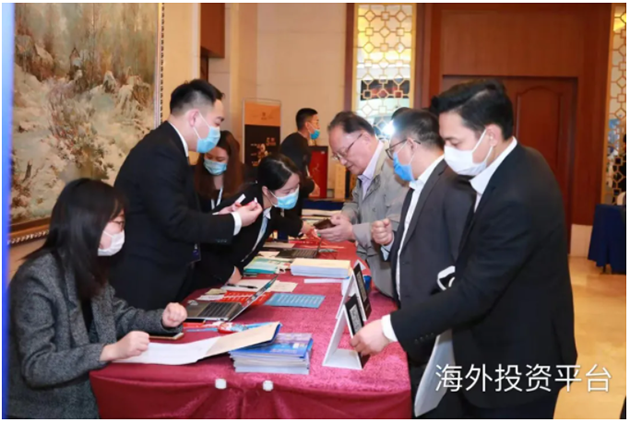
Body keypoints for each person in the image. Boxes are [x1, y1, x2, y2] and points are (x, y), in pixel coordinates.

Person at [351, 79, 577, 419]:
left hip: (518, 361)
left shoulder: (517, 196)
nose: (447, 152)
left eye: (455, 142)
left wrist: (388, 329)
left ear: (490, 135)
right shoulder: (521, 160)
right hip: (492, 346)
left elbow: (475, 292)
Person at [8, 179, 187, 419]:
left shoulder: (88, 264)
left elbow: (117, 315)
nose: (123, 231)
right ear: (90, 222)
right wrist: (109, 351)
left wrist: (162, 320)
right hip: (46, 410)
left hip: (92, 398)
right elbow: (37, 367)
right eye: (119, 223)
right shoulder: (37, 278)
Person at [110, 80, 262, 310]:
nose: (217, 131)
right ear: (194, 118)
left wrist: (220, 216)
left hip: (161, 274)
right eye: (216, 123)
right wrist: (235, 220)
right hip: (146, 277)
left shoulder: (169, 147)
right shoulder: (162, 152)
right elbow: (176, 221)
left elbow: (177, 212)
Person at [370, 109, 475, 418]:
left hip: (436, 330)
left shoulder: (452, 185)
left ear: (411, 145)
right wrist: (390, 243)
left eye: (393, 150)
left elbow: (461, 265)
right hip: (419, 328)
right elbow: (422, 247)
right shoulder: (421, 183)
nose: (392, 159)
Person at [318, 111, 408, 297]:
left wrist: (351, 232)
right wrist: (345, 217)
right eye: (337, 156)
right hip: (381, 279)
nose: (342, 162)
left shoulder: (395, 167)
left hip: (400, 279)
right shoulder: (365, 169)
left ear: (365, 138)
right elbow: (355, 201)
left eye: (344, 152)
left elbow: (396, 226)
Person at [200, 154, 316, 286]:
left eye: (296, 187)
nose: (293, 194)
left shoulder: (269, 204)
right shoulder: (243, 206)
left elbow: (278, 220)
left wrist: (301, 227)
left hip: (230, 279)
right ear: (266, 190)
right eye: (287, 191)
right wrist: (227, 272)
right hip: (207, 279)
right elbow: (202, 244)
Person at [280, 108, 321, 218]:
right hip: (288, 197)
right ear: (307, 125)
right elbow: (294, 174)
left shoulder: (300, 142)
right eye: (316, 122)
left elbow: (304, 170)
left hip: (296, 196)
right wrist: (311, 186)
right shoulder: (294, 144)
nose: (318, 127)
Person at [193, 130, 245, 212]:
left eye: (220, 159)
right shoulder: (191, 176)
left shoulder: (244, 180)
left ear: (230, 160)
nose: (213, 162)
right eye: (209, 157)